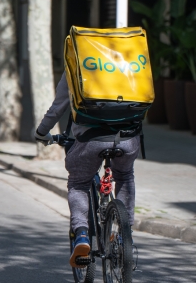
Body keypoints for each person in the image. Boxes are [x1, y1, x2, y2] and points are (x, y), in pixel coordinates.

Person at [34, 72, 140, 268]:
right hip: (128, 137)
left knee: (79, 183)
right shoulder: (127, 61)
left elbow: (58, 107)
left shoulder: (78, 65)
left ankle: (82, 235)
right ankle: (126, 236)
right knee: (124, 175)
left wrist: (41, 132)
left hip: (91, 139)